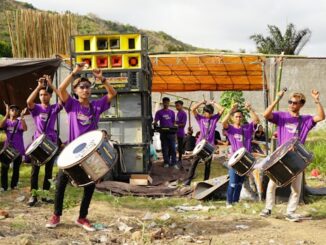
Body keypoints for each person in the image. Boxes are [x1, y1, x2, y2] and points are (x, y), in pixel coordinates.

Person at [45, 64, 116, 231]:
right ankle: (56, 215)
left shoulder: (96, 106)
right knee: (61, 182)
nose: (85, 89)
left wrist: (102, 79)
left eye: (87, 87)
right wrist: (74, 73)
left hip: (90, 153)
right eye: (81, 87)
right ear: (76, 91)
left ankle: (82, 217)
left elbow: (112, 93)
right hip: (71, 152)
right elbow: (61, 88)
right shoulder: (71, 105)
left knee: (90, 186)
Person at [260, 90, 325, 222]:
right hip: (281, 157)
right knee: (272, 184)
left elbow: (321, 117)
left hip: (297, 159)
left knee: (296, 188)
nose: (291, 104)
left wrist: (317, 100)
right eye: (290, 102)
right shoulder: (281, 116)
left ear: (301, 104)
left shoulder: (306, 120)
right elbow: (265, 114)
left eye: (294, 103)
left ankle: (290, 212)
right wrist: (277, 99)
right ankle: (268, 209)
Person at [26, 75, 63, 206]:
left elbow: (63, 99)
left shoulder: (54, 108)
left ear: (50, 96)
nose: (43, 96)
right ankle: (34, 196)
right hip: (38, 142)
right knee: (34, 171)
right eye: (41, 95)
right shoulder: (36, 108)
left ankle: (46, 196)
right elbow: (28, 102)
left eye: (46, 94)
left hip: (51, 142)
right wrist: (38, 86)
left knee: (48, 171)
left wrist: (51, 85)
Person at [222, 102, 259, 207]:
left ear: (242, 118)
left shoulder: (247, 128)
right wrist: (230, 111)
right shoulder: (230, 129)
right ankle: (229, 202)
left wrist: (250, 109)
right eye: (236, 116)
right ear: (233, 118)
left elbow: (256, 121)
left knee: (239, 183)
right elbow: (223, 122)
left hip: (246, 159)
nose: (238, 118)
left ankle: (235, 202)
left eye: (240, 117)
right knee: (233, 183)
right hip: (234, 160)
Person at [184, 100, 224, 185]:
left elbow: (222, 109)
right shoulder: (200, 118)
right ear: (204, 112)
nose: (209, 115)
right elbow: (192, 109)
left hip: (209, 146)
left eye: (211, 113)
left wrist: (214, 103)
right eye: (207, 113)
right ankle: (188, 181)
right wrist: (202, 102)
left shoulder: (214, 119)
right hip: (200, 144)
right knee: (194, 163)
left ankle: (206, 181)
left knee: (208, 164)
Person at [0, 104, 27, 191]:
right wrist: (6, 113)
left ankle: (14, 185)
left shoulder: (19, 122)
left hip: (18, 149)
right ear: (9, 111)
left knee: (16, 168)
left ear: (18, 112)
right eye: (12, 109)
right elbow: (1, 126)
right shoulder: (7, 121)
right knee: (4, 167)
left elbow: (25, 128)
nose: (14, 111)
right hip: (7, 148)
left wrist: (22, 117)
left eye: (16, 110)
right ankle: (4, 186)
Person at [153, 97, 177, 169]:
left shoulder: (172, 112)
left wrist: (175, 128)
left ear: (169, 103)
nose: (166, 104)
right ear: (163, 103)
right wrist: (155, 124)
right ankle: (166, 162)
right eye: (165, 102)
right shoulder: (159, 112)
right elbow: (156, 121)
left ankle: (174, 163)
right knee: (165, 149)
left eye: (167, 102)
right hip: (163, 133)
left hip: (171, 133)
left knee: (173, 148)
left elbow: (174, 122)